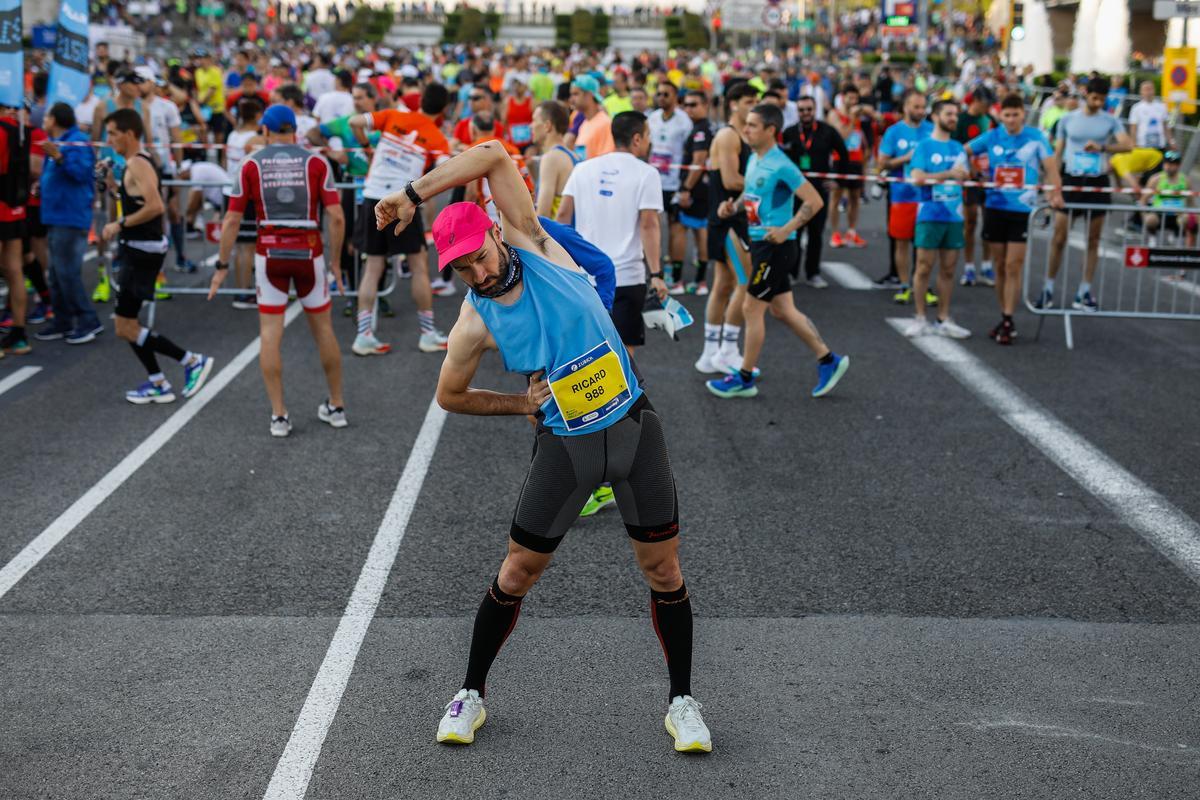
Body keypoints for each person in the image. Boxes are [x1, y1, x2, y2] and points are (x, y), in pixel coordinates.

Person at [373, 141, 713, 754]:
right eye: (463, 270)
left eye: (479, 258)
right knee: (517, 572)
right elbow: (450, 394)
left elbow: (493, 154)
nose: (478, 274)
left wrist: (411, 194)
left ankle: (682, 703)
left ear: (496, 235)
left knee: (663, 570)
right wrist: (520, 404)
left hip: (634, 431)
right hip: (564, 447)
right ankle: (470, 694)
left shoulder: (533, 242)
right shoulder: (475, 319)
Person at [209, 105, 348, 438]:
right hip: (309, 252)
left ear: (266, 131)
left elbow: (231, 220)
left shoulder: (251, 163)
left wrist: (222, 266)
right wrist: (336, 262)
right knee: (324, 330)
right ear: (295, 130)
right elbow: (338, 217)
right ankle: (337, 405)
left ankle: (279, 415)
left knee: (270, 334)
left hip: (269, 253)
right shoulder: (317, 162)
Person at [556, 110, 667, 518]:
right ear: (636, 139)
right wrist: (658, 274)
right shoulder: (645, 173)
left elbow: (562, 221)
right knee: (622, 374)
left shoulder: (583, 169)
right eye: (648, 136)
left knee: (583, 370)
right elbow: (650, 226)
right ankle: (609, 469)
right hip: (627, 278)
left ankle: (596, 465)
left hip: (584, 281)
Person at [705, 104, 849, 401]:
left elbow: (814, 201)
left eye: (753, 126)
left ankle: (744, 377)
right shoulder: (757, 159)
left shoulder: (782, 164)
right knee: (783, 310)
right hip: (762, 243)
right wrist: (733, 205)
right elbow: (752, 192)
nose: (746, 130)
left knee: (750, 308)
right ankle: (828, 359)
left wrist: (787, 229)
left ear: (771, 130)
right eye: (746, 125)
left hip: (776, 247)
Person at [100, 109, 213, 404]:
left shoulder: (138, 163)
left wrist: (118, 223)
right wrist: (113, 186)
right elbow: (134, 200)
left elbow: (155, 206)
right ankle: (158, 382)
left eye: (112, 133)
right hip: (138, 248)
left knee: (124, 325)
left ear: (129, 133)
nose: (109, 139)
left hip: (141, 251)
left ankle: (190, 361)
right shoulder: (134, 164)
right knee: (127, 323)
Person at [349, 82, 453, 354]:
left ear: (420, 100)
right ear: (443, 109)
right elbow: (446, 174)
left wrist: (367, 149)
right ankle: (428, 333)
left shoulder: (393, 115)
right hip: (403, 199)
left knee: (373, 268)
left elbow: (353, 121)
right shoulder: (437, 137)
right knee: (419, 266)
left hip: (373, 196)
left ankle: (363, 336)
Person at [965, 93, 1063, 345]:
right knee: (999, 266)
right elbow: (964, 150)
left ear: (1023, 113)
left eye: (1015, 114)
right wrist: (975, 172)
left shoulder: (1035, 137)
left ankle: (1008, 318)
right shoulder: (993, 136)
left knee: (1012, 266)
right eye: (1006, 115)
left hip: (1022, 210)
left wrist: (1055, 193)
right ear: (1001, 115)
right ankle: (1003, 313)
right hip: (995, 206)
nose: (1011, 120)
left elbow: (1051, 168)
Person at [1042, 77, 1132, 312]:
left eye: (1102, 99)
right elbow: (1058, 153)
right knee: (1059, 238)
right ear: (1085, 94)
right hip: (1072, 179)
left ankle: (1084, 292)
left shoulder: (1110, 120)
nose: (1098, 103)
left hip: (1097, 182)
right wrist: (1053, 184)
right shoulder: (1067, 120)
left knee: (1092, 240)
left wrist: (1103, 147)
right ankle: (1048, 287)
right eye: (1094, 98)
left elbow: (1128, 145)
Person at [696, 81, 757, 376]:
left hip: (731, 218)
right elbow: (732, 180)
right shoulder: (728, 135)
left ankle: (710, 353)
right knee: (744, 284)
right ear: (734, 104)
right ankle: (728, 350)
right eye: (749, 102)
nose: (753, 107)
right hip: (728, 219)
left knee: (722, 286)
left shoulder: (741, 136)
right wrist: (767, 179)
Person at [35, 103, 103, 344]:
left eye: (47, 117)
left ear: (54, 119)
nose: (44, 121)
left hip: (71, 216)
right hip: (54, 216)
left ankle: (88, 320)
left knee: (67, 273)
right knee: (55, 273)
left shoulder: (76, 141)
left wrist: (59, 157)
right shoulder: (58, 142)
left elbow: (82, 174)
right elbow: (53, 172)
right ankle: (63, 320)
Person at [905, 100, 972, 339]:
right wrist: (947, 174)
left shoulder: (958, 148)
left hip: (954, 216)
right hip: (929, 214)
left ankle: (943, 318)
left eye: (956, 114)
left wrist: (967, 175)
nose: (954, 118)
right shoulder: (924, 146)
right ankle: (920, 317)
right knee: (923, 267)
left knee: (949, 268)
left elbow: (965, 176)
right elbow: (917, 178)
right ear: (935, 116)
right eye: (949, 114)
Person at [781, 95, 849, 288]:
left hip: (819, 190)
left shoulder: (827, 131)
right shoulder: (790, 132)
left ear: (815, 109)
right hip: (795, 191)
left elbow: (843, 154)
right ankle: (791, 273)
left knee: (816, 233)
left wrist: (836, 178)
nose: (805, 113)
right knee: (794, 232)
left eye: (809, 109)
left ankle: (813, 273)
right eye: (802, 110)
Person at [879, 90, 934, 304]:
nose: (920, 111)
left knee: (925, 245)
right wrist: (905, 158)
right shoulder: (894, 132)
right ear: (905, 107)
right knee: (901, 243)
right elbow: (882, 163)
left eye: (923, 107)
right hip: (902, 196)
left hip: (927, 197)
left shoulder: (932, 131)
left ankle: (924, 286)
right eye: (916, 107)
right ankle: (904, 286)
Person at [647, 81, 693, 292]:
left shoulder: (685, 121)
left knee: (676, 229)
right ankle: (656, 272)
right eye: (659, 94)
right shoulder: (652, 118)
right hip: (654, 182)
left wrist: (686, 185)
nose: (662, 97)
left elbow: (690, 152)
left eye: (666, 94)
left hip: (674, 183)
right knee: (653, 227)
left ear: (675, 97)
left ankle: (676, 275)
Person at [224, 97, 266, 309]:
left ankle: (242, 290)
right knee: (247, 246)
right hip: (244, 194)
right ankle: (244, 292)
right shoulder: (253, 138)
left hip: (229, 189)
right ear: (257, 116)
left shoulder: (233, 134)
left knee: (241, 246)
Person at [954, 89, 995, 287]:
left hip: (990, 179)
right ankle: (969, 267)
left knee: (989, 223)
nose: (989, 108)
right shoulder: (961, 120)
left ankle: (987, 266)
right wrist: (971, 167)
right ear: (977, 101)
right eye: (987, 103)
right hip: (970, 179)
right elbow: (957, 148)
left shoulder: (991, 120)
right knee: (970, 222)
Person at [675, 90, 713, 294]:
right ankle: (700, 282)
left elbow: (698, 161)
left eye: (693, 105)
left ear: (705, 105)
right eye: (686, 105)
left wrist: (686, 189)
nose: (688, 109)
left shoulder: (701, 130)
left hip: (697, 189)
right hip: (701, 188)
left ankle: (691, 282)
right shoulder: (701, 127)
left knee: (689, 230)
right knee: (699, 231)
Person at [0, 103, 31, 354]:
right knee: (15, 271)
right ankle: (19, 335)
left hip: (1, 205)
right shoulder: (20, 129)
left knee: (12, 271)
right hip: (17, 207)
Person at [828, 84, 871, 249]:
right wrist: (852, 118)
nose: (853, 102)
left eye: (856, 98)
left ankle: (852, 232)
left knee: (855, 197)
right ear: (843, 97)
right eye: (850, 98)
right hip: (840, 160)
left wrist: (866, 150)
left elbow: (859, 135)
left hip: (856, 160)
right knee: (836, 197)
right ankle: (835, 234)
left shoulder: (858, 115)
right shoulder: (834, 114)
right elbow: (842, 135)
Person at [531, 100, 579, 219]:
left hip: (556, 237)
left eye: (534, 120)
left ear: (547, 126)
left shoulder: (551, 158)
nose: (530, 125)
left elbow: (543, 215)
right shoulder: (575, 156)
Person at [1140, 151, 1197, 248]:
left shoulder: (1185, 180)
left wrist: (1194, 217)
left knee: (1188, 219)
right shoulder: (1156, 179)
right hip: (1159, 214)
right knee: (1150, 219)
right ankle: (1152, 237)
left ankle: (1177, 236)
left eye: (1172, 164)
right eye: (1166, 163)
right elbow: (1143, 200)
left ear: (1178, 165)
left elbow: (1191, 202)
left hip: (1177, 215)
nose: (1168, 166)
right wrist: (1145, 215)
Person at [568, 76, 614, 161]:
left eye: (576, 94)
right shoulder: (584, 124)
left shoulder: (605, 123)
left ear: (589, 95)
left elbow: (606, 160)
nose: (571, 99)